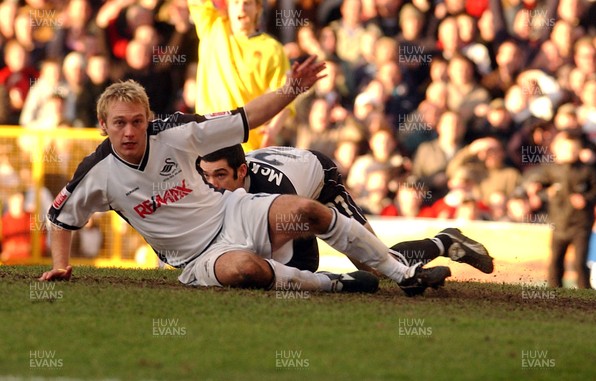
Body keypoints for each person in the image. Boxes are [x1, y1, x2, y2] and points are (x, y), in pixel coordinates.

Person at [39, 61, 486, 297]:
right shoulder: (97, 172)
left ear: (149, 118)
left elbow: (245, 115)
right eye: (120, 124)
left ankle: (401, 274)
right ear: (103, 124)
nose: (130, 131)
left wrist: (292, 89)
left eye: (137, 121)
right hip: (197, 258)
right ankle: (333, 284)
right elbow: (60, 216)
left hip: (249, 204)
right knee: (247, 269)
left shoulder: (176, 131)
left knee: (311, 215)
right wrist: (60, 264)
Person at [198, 144, 494, 277]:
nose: (212, 185)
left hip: (319, 180)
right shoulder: (208, 185)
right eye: (206, 176)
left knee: (377, 265)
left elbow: (306, 262)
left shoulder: (277, 194)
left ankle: (446, 240)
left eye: (220, 176)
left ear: (241, 171)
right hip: (290, 166)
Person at [188, 0, 292, 150]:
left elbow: (286, 95)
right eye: (235, 2)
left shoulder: (273, 48)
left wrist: (273, 130)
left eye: (247, 3)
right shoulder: (212, 26)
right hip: (207, 142)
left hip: (248, 148)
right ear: (227, 7)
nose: (241, 8)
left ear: (258, 8)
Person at [528, 131, 596, 288]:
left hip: (581, 225)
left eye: (574, 150)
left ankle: (584, 294)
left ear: (579, 150)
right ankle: (555, 292)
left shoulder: (588, 170)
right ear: (557, 151)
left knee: (579, 262)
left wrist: (586, 199)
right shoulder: (551, 169)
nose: (570, 153)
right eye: (566, 150)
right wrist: (544, 193)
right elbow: (537, 186)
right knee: (555, 261)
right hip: (559, 223)